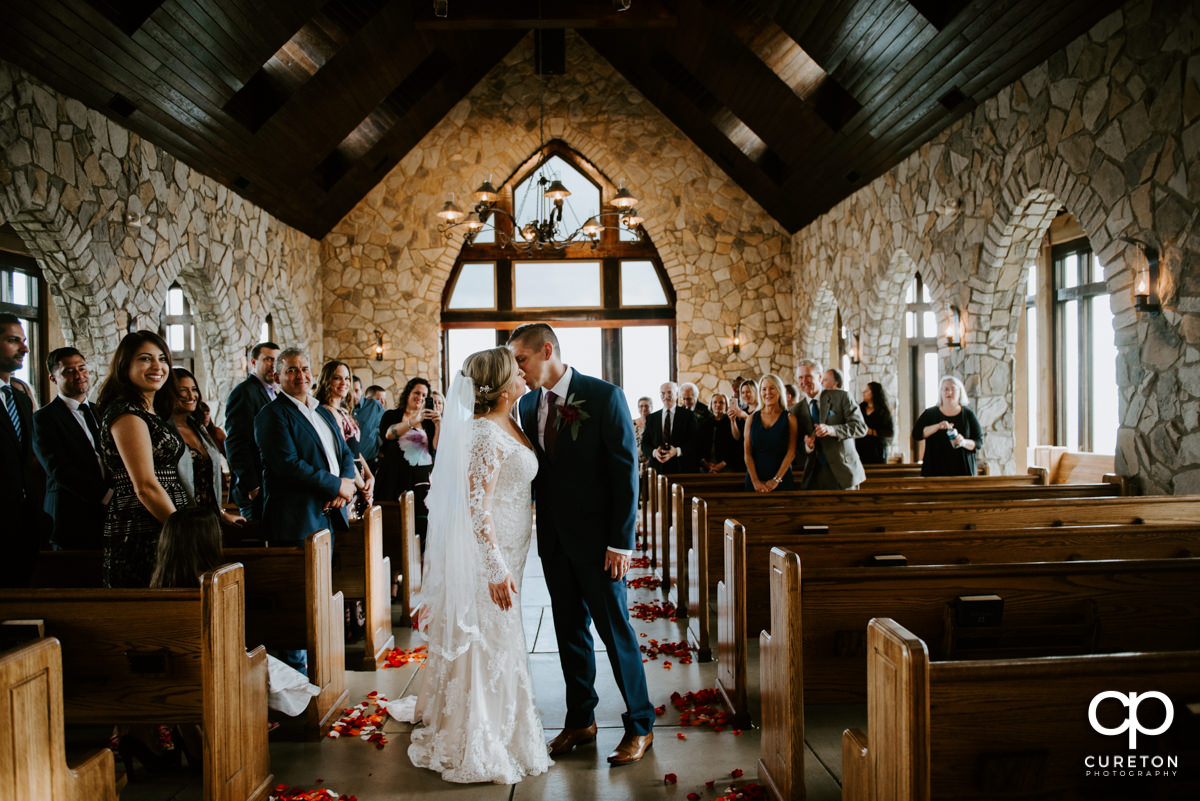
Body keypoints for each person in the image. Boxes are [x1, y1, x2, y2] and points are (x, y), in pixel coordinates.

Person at [399, 347, 551, 784]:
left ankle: (501, 722)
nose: (524, 375)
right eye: (516, 372)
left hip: (515, 548)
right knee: (491, 637)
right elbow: (476, 508)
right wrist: (493, 568)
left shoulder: (510, 422)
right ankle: (482, 733)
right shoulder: (485, 433)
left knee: (502, 635)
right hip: (494, 554)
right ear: (503, 389)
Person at [509, 323, 654, 766]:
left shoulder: (605, 396)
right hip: (553, 541)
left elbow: (625, 476)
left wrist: (620, 543)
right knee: (569, 632)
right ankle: (580, 721)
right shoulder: (529, 403)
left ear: (546, 350)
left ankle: (641, 725)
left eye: (521, 360)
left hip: (600, 544)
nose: (518, 370)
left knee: (616, 633)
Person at [95, 331, 191, 588]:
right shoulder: (126, 413)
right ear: (125, 365)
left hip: (164, 520)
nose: (157, 366)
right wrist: (181, 533)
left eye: (162, 359)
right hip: (143, 525)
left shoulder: (149, 410)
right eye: (145, 359)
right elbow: (145, 487)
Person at [253, 348, 357, 544]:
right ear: (277, 377)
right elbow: (288, 465)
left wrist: (344, 483)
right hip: (297, 520)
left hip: (329, 514)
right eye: (292, 370)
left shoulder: (322, 412)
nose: (301, 375)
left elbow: (345, 453)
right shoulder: (272, 415)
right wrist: (336, 486)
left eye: (305, 369)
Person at [33, 347, 110, 550]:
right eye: (69, 371)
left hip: (108, 515)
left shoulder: (98, 411)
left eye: (82, 368)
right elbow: (59, 469)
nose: (79, 375)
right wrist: (106, 495)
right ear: (53, 378)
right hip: (71, 515)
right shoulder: (44, 418)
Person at [1, 314, 46, 584]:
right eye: (13, 340)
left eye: (25, 341)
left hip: (22, 525)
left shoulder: (19, 398)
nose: (25, 349)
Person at [170, 368, 243, 527]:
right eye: (183, 390)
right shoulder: (163, 431)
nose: (191, 396)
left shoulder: (200, 430)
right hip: (180, 521)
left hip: (209, 519)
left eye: (194, 389)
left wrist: (222, 514)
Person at [377, 377, 440, 547]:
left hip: (423, 481)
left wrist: (439, 424)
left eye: (424, 395)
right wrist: (413, 420)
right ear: (408, 394)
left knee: (423, 528)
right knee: (396, 528)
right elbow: (389, 434)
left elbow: (435, 447)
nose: (420, 397)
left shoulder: (428, 422)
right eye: (417, 393)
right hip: (395, 477)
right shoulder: (392, 415)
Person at [791, 359, 867, 490]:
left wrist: (833, 430)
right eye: (800, 377)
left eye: (808, 376)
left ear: (819, 377)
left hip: (844, 472)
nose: (804, 381)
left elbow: (860, 428)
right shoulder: (795, 411)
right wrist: (807, 446)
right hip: (814, 477)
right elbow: (795, 446)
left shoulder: (841, 397)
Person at [224, 342, 279, 521]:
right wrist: (252, 485)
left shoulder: (275, 393)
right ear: (253, 362)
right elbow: (235, 443)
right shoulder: (244, 392)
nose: (273, 364)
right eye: (268, 359)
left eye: (277, 360)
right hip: (255, 488)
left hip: (271, 485)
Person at [314, 361, 375, 510]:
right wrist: (362, 486)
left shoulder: (343, 411)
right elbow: (343, 454)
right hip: (348, 480)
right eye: (337, 378)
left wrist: (370, 476)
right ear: (326, 381)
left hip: (359, 477)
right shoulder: (327, 412)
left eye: (347, 378)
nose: (344, 383)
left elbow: (354, 449)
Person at [913, 376, 982, 476]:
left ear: (960, 392)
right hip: (934, 470)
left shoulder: (968, 414)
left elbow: (979, 442)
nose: (948, 392)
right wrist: (937, 426)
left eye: (953, 389)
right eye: (945, 389)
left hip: (963, 470)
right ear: (940, 392)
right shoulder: (930, 413)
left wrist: (963, 442)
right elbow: (916, 434)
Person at [744, 375, 799, 492]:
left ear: (779, 391)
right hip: (754, 480)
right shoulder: (751, 418)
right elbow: (747, 454)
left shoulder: (790, 419)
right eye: (764, 389)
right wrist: (755, 482)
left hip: (782, 478)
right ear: (760, 393)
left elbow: (791, 453)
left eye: (772, 388)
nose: (767, 392)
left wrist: (776, 480)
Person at [641, 381, 698, 474]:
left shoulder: (688, 416)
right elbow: (645, 444)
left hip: (680, 469)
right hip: (657, 470)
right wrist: (655, 452)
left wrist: (676, 451)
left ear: (676, 394)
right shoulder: (652, 418)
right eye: (662, 393)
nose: (665, 396)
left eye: (669, 392)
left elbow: (694, 442)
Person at [699, 392, 745, 473]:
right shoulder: (705, 422)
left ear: (726, 405)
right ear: (711, 405)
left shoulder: (732, 420)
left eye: (721, 402)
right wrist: (707, 464)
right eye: (715, 402)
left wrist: (722, 464)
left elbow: (736, 443)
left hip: (727, 464)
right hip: (707, 465)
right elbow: (699, 445)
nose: (718, 405)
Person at [856, 381, 895, 465]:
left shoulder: (883, 411)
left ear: (874, 393)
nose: (863, 392)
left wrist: (872, 432)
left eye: (867, 390)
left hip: (877, 449)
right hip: (860, 447)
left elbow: (890, 432)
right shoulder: (859, 408)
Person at [351, 377, 385, 468]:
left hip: (371, 462)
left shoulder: (374, 406)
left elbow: (387, 427)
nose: (353, 395)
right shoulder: (341, 409)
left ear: (361, 390)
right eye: (350, 391)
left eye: (356, 390)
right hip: (349, 464)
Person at [633, 395, 652, 468]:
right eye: (641, 406)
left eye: (646, 406)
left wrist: (649, 461)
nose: (644, 408)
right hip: (635, 461)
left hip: (651, 461)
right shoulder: (632, 423)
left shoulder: (655, 423)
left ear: (651, 407)